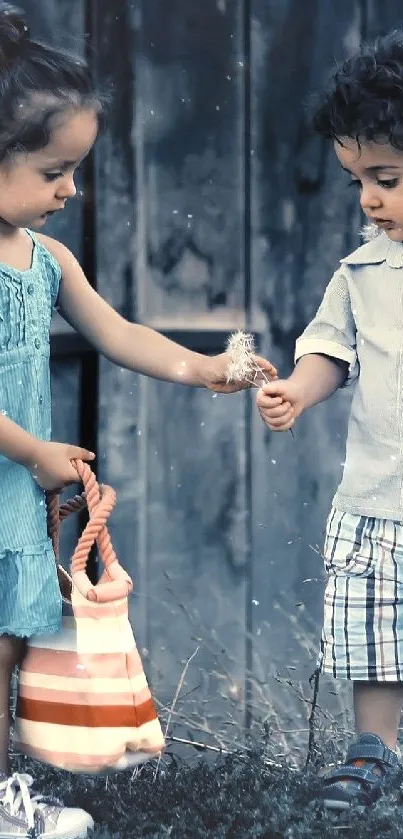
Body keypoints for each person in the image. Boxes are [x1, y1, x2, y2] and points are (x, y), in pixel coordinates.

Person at [0, 4, 277, 837]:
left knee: (9, 649)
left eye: (77, 168)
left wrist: (201, 368)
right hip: (21, 464)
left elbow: (117, 332)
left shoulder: (47, 259)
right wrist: (35, 449)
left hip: (15, 499)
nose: (70, 189)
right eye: (55, 169)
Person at [257, 30, 403, 810]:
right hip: (381, 496)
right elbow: (329, 350)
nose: (367, 200)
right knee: (376, 638)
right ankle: (372, 751)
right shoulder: (361, 270)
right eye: (356, 182)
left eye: (385, 178)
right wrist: (298, 391)